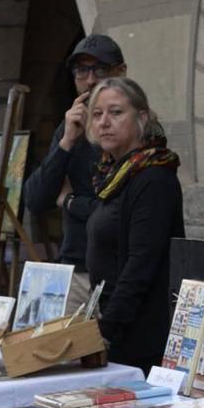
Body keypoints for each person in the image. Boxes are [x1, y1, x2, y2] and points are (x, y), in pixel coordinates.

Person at [80, 78, 184, 370]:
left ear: (141, 117)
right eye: (97, 114)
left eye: (115, 112)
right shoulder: (111, 175)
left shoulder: (153, 177)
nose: (104, 122)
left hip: (139, 337)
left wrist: (107, 330)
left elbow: (141, 263)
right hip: (116, 326)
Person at [21, 33, 125, 309]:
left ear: (121, 72)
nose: (90, 80)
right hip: (76, 269)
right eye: (81, 70)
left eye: (100, 70)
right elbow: (34, 200)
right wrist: (66, 141)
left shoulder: (131, 130)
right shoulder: (71, 128)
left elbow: (119, 211)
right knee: (68, 352)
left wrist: (70, 202)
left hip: (120, 272)